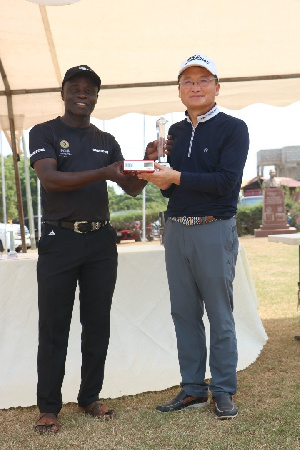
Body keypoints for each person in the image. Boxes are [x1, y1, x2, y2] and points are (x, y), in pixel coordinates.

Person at [29, 64, 158, 433]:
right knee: (55, 325)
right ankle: (49, 408)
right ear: (64, 92)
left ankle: (89, 396)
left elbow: (131, 188)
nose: (82, 93)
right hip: (60, 239)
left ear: (97, 96)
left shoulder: (107, 139)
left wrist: (147, 164)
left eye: (89, 89)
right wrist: (103, 172)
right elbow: (50, 179)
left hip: (101, 240)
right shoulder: (45, 132)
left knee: (97, 323)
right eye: (75, 87)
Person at [138, 53, 249, 419]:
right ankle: (192, 388)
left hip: (213, 228)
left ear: (217, 87)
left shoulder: (234, 127)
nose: (196, 86)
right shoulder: (176, 133)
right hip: (177, 230)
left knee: (219, 313)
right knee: (183, 313)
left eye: (204, 80)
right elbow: (173, 192)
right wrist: (157, 173)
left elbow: (226, 184)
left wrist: (176, 177)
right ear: (180, 90)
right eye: (188, 81)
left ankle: (223, 390)